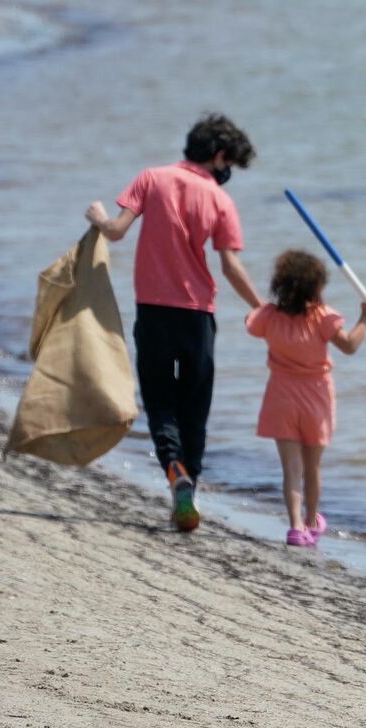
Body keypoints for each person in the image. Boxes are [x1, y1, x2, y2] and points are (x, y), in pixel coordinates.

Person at [85, 113, 263, 531]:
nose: (228, 173)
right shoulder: (220, 200)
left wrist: (96, 216)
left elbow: (115, 231)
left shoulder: (151, 178)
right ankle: (190, 494)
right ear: (219, 156)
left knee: (160, 402)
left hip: (153, 311)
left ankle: (174, 473)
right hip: (199, 314)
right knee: (194, 409)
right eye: (230, 165)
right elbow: (230, 265)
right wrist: (259, 306)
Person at [245, 250, 366, 548]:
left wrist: (267, 308)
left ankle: (295, 526)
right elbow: (349, 345)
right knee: (312, 467)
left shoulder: (270, 316)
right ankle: (310, 521)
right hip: (316, 397)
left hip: (280, 396)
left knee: (291, 468)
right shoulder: (322, 317)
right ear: (317, 287)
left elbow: (251, 323)